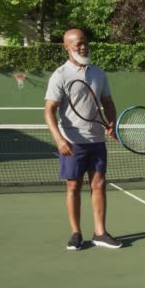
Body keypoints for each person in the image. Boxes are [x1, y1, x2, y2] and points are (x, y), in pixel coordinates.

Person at [44, 29, 122, 251]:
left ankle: (100, 233)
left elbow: (107, 102)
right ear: (66, 47)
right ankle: (76, 233)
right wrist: (59, 140)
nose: (83, 47)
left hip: (96, 140)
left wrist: (112, 123)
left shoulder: (99, 73)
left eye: (85, 43)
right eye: (77, 44)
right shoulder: (60, 75)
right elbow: (49, 111)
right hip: (72, 141)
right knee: (73, 186)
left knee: (99, 184)